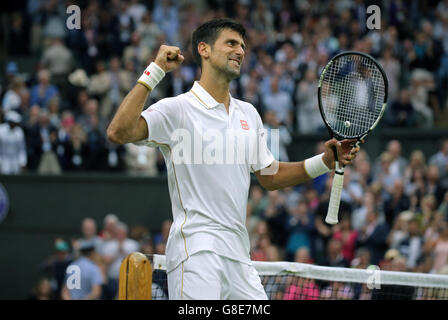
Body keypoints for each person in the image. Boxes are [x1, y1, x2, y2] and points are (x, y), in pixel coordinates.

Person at [107, 18, 360, 300]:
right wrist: (156, 70)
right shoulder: (178, 109)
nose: (240, 51)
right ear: (204, 50)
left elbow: (271, 176)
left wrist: (324, 161)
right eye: (231, 43)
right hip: (197, 250)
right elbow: (119, 131)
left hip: (240, 258)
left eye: (242, 45)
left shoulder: (249, 114)